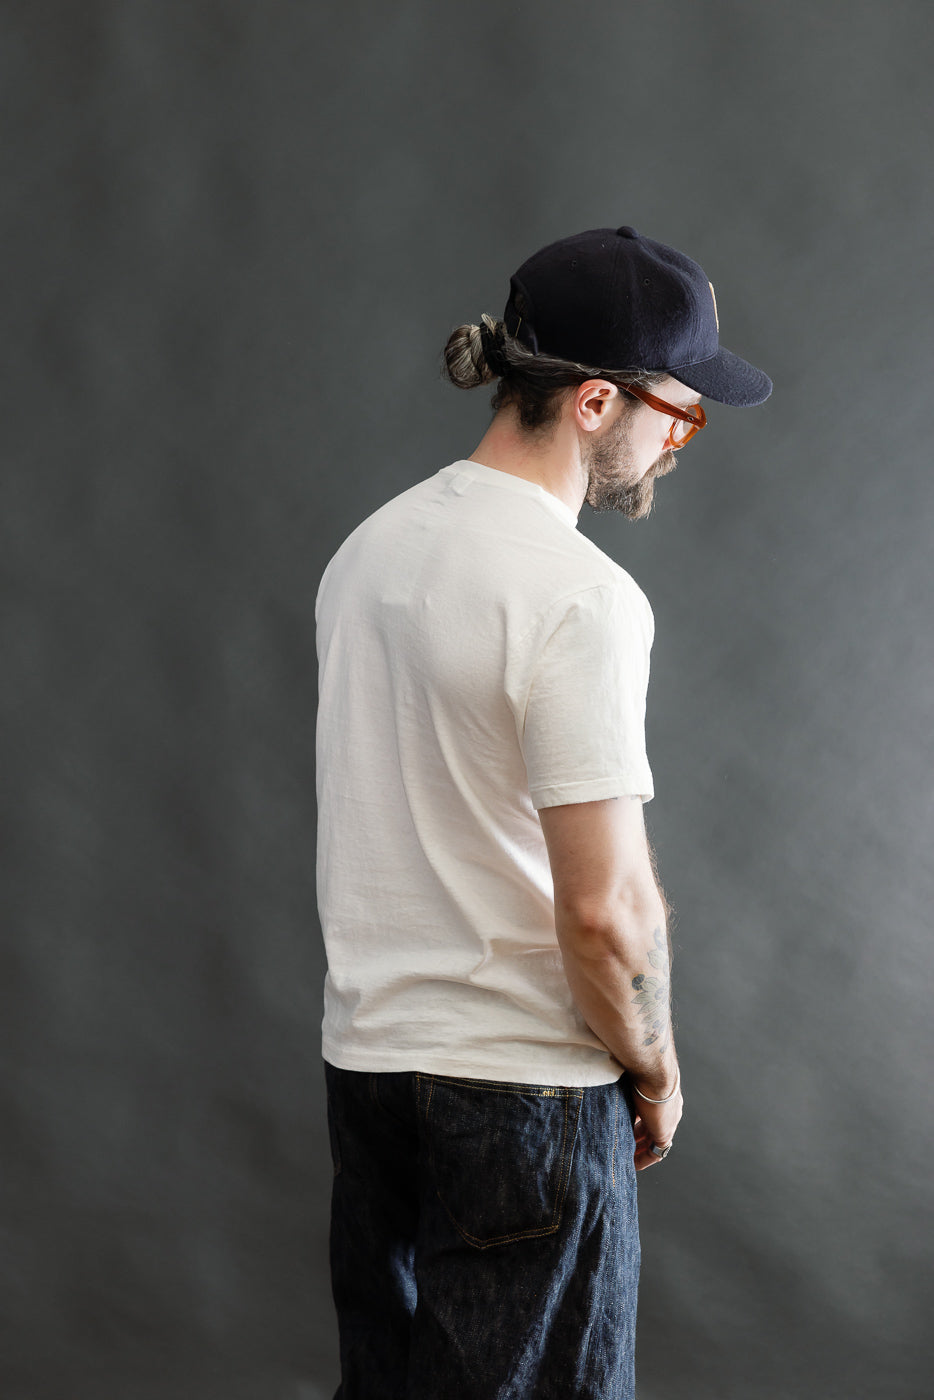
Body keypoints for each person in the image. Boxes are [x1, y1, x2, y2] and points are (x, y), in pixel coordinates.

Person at [315, 225, 771, 1400]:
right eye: (678, 411)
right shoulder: (578, 595)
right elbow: (608, 909)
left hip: (371, 1073)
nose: (678, 441)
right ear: (595, 400)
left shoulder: (367, 555)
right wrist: (656, 1067)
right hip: (523, 1100)